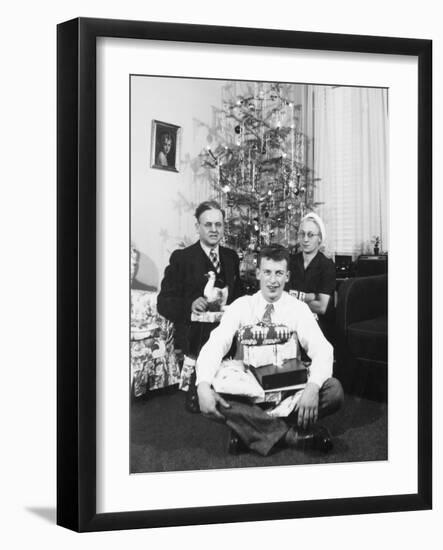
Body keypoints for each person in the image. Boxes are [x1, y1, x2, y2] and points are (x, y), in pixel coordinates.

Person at [196, 244, 343, 456]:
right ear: (258, 273)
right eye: (267, 272)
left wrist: (312, 388)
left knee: (334, 390)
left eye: (279, 273)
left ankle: (250, 431)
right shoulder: (241, 306)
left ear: (287, 276)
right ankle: (291, 436)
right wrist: (202, 386)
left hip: (289, 392)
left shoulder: (298, 309)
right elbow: (215, 344)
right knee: (208, 391)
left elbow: (323, 349)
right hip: (250, 392)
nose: (273, 281)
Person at [157, 200, 243, 412]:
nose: (214, 230)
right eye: (208, 225)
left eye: (218, 224)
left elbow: (239, 294)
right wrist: (190, 305)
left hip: (227, 331)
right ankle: (199, 386)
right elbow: (164, 302)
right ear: (197, 227)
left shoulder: (231, 258)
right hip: (196, 333)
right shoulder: (182, 259)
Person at [289, 212, 336, 344]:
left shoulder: (327, 265)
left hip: (319, 325)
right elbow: (283, 298)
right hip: (292, 321)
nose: (305, 239)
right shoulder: (290, 262)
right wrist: (310, 296)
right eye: (302, 234)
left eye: (311, 235)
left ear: (319, 238)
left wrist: (295, 297)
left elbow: (321, 307)